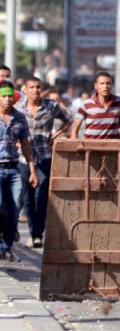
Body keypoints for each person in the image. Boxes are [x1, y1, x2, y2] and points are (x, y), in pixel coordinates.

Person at [14, 77, 73, 248]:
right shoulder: (18, 109)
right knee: (27, 198)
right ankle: (33, 231)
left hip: (45, 156)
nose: (35, 90)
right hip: (23, 159)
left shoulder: (51, 106)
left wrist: (54, 136)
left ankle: (37, 234)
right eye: (31, 87)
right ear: (25, 89)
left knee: (41, 197)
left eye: (38, 87)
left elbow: (69, 119)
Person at [0, 81, 39, 262]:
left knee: (14, 209)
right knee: (1, 206)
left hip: (13, 169)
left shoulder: (19, 118)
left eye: (10, 96)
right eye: (3, 96)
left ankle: (7, 247)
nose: (7, 99)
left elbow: (25, 146)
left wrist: (32, 170)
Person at [71, 72, 120, 139]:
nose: (105, 86)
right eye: (102, 83)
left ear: (112, 85)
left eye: (108, 83)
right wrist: (76, 147)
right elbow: (74, 129)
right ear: (96, 86)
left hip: (113, 147)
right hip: (90, 147)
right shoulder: (86, 104)